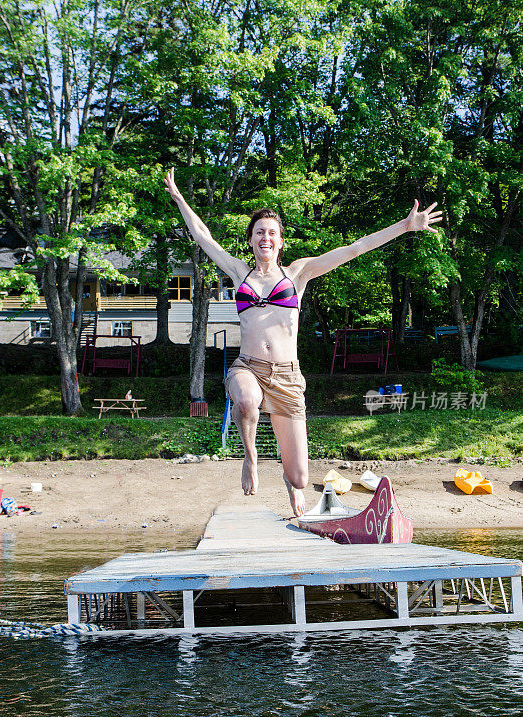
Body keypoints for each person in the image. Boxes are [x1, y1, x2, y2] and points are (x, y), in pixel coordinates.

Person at [164, 168, 443, 516]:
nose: (265, 237)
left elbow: (354, 248)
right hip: (248, 367)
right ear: (250, 240)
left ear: (280, 242)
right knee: (247, 401)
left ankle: (288, 480)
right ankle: (250, 459)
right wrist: (179, 198)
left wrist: (404, 226)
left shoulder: (297, 273)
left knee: (299, 478)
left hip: (287, 377)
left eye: (272, 233)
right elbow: (204, 237)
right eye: (258, 232)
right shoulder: (239, 272)